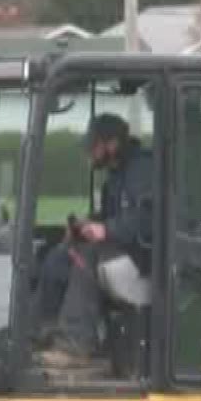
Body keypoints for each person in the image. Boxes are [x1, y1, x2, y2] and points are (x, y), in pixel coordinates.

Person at [38, 112, 157, 368]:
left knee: (86, 256)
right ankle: (43, 334)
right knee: (60, 255)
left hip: (144, 257)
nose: (89, 154)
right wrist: (86, 225)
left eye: (93, 147)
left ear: (112, 145)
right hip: (121, 247)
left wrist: (106, 230)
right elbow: (109, 214)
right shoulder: (116, 176)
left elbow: (147, 217)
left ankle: (76, 345)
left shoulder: (142, 170)